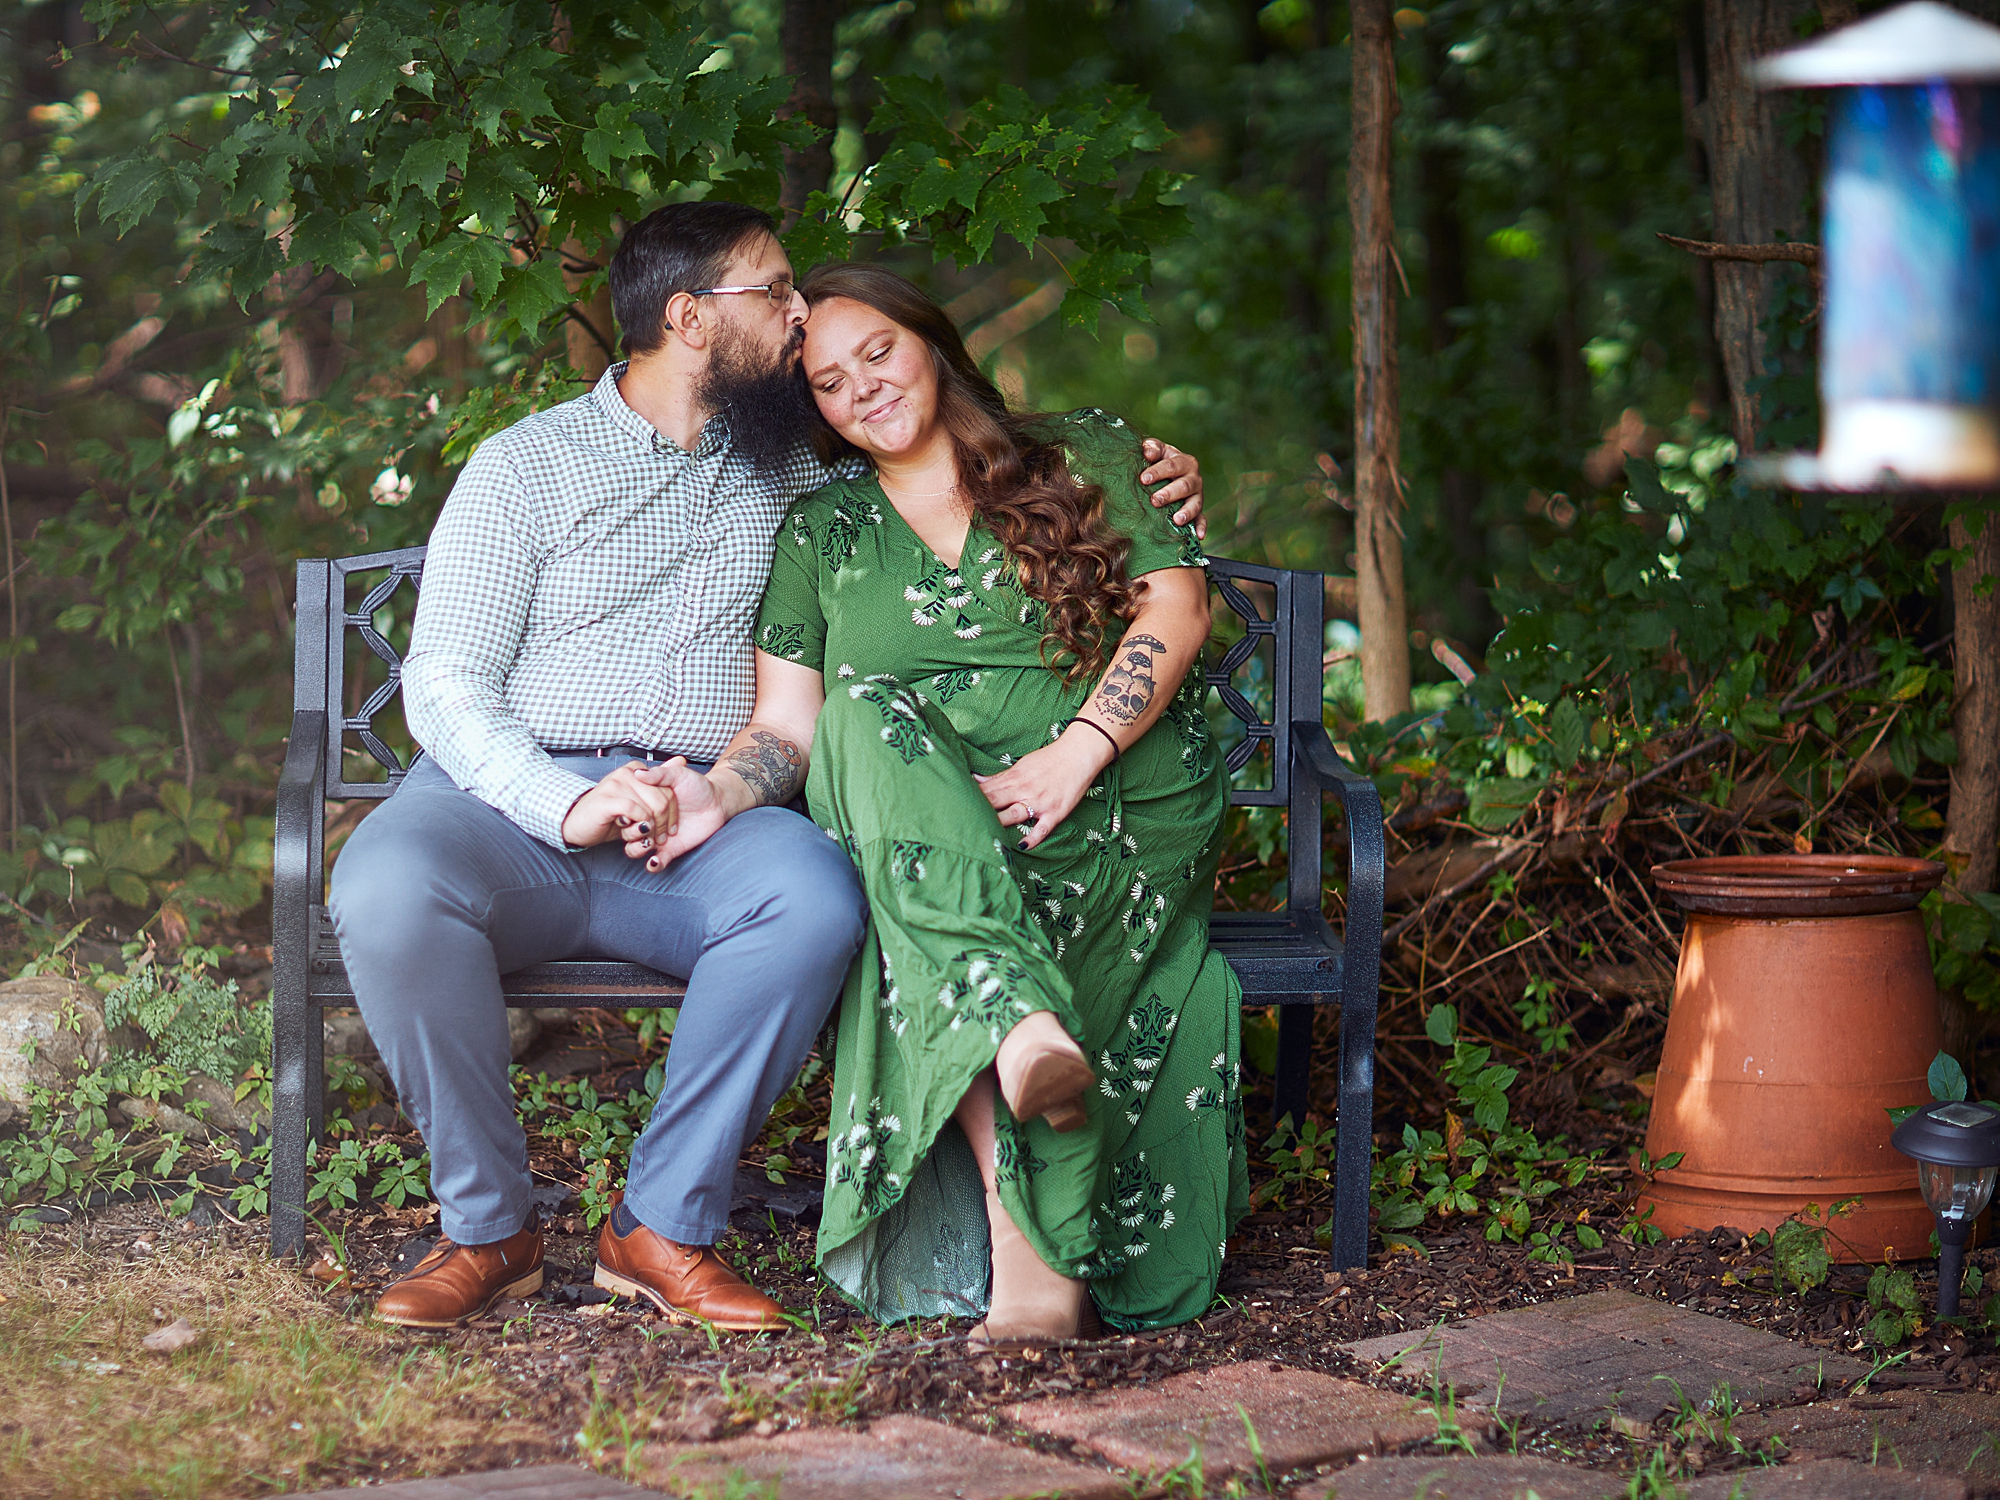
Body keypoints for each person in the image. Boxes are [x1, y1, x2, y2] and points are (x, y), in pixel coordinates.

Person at [327, 202, 1208, 1332]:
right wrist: (568, 798)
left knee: (811, 901)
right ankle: (488, 1231)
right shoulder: (525, 467)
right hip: (509, 805)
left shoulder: (800, 465)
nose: (801, 318)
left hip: (707, 812)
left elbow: (966, 462)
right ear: (690, 317)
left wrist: (1156, 478)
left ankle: (658, 1231)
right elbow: (444, 681)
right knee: (386, 886)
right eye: (777, 293)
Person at [650, 263, 1245, 1341]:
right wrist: (716, 799)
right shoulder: (819, 533)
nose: (862, 387)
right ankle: (1017, 1075)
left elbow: (1176, 608)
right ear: (815, 409)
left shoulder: (1081, 454)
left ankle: (1020, 1162)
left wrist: (1076, 752)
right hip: (931, 826)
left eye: (877, 351)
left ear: (930, 342)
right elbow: (787, 729)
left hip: (1116, 794)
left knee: (909, 908)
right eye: (829, 382)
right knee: (869, 733)